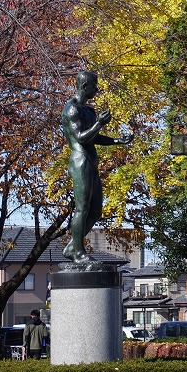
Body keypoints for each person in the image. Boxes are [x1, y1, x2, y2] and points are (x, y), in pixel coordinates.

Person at [61, 70, 128, 264]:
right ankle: (78, 252)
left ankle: (73, 245)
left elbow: (94, 137)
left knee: (96, 210)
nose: (97, 89)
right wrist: (99, 123)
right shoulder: (71, 110)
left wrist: (117, 140)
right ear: (85, 86)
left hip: (91, 162)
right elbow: (80, 138)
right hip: (80, 162)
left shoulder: (89, 111)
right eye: (94, 85)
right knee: (82, 208)